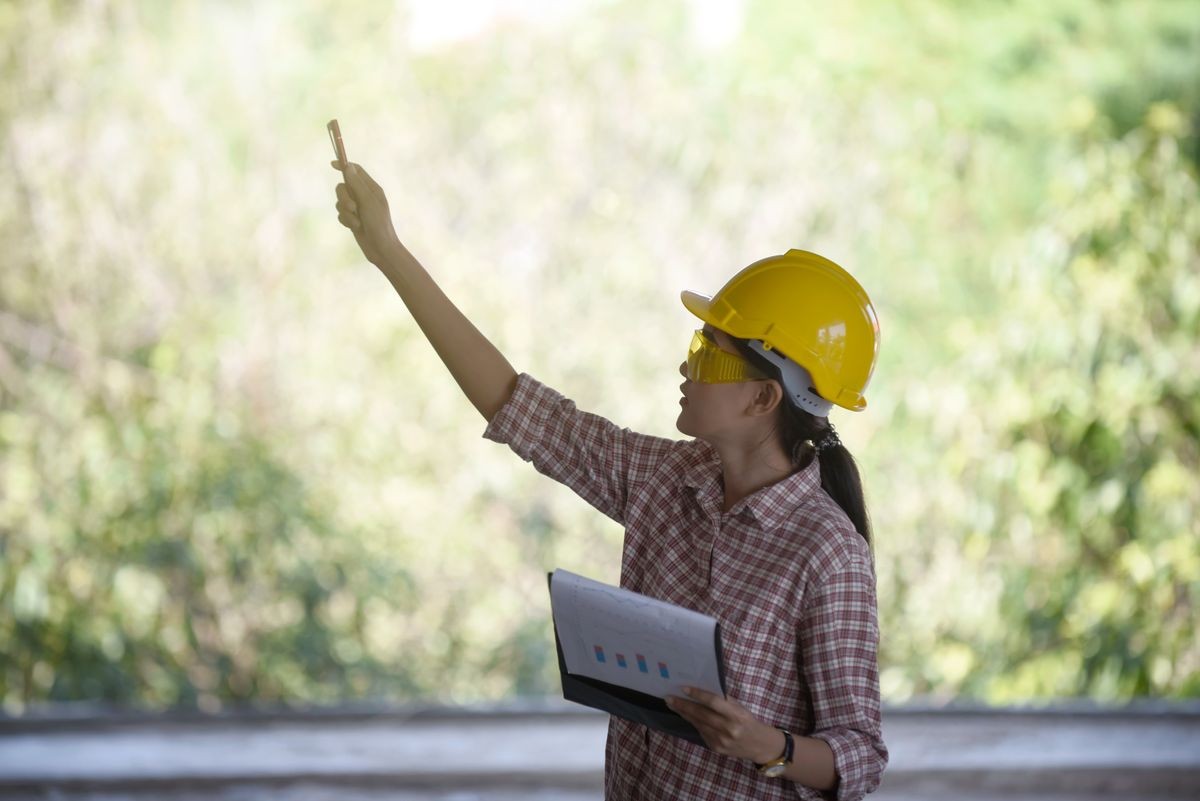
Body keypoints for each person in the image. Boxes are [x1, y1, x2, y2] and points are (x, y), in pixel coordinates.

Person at [332, 159, 888, 800]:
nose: (685, 367)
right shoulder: (667, 479)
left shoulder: (827, 552)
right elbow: (519, 409)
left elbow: (861, 758)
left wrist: (770, 747)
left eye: (708, 353)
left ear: (763, 399)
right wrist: (388, 253)